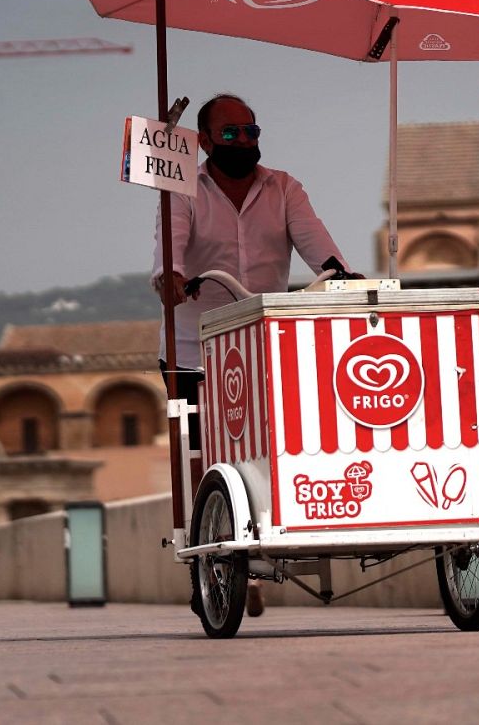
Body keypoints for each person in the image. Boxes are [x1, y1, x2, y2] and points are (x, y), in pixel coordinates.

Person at [151, 93, 361, 619]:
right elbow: (168, 246)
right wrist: (173, 278)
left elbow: (316, 243)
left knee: (272, 448)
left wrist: (339, 269)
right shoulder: (183, 190)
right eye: (230, 134)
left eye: (251, 131)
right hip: (192, 347)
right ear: (204, 141)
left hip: (262, 344)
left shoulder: (283, 187)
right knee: (198, 455)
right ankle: (207, 560)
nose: (244, 141)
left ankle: (254, 544)